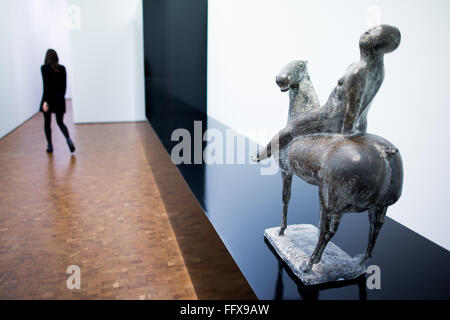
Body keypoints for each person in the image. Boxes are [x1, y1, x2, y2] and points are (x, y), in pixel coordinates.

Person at [254, 25, 401, 162]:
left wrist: (345, 136)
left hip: (329, 118)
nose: (368, 32)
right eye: (371, 30)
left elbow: (352, 110)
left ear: (379, 46)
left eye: (376, 35)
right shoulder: (378, 71)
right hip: (360, 125)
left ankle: (262, 154)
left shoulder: (358, 72)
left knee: (291, 129)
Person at [40, 49, 75, 153]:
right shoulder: (62, 68)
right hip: (59, 99)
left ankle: (50, 146)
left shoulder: (44, 68)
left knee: (47, 123)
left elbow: (46, 86)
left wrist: (45, 101)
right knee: (60, 122)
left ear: (47, 57)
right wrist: (61, 98)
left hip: (49, 99)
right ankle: (68, 140)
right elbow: (64, 87)